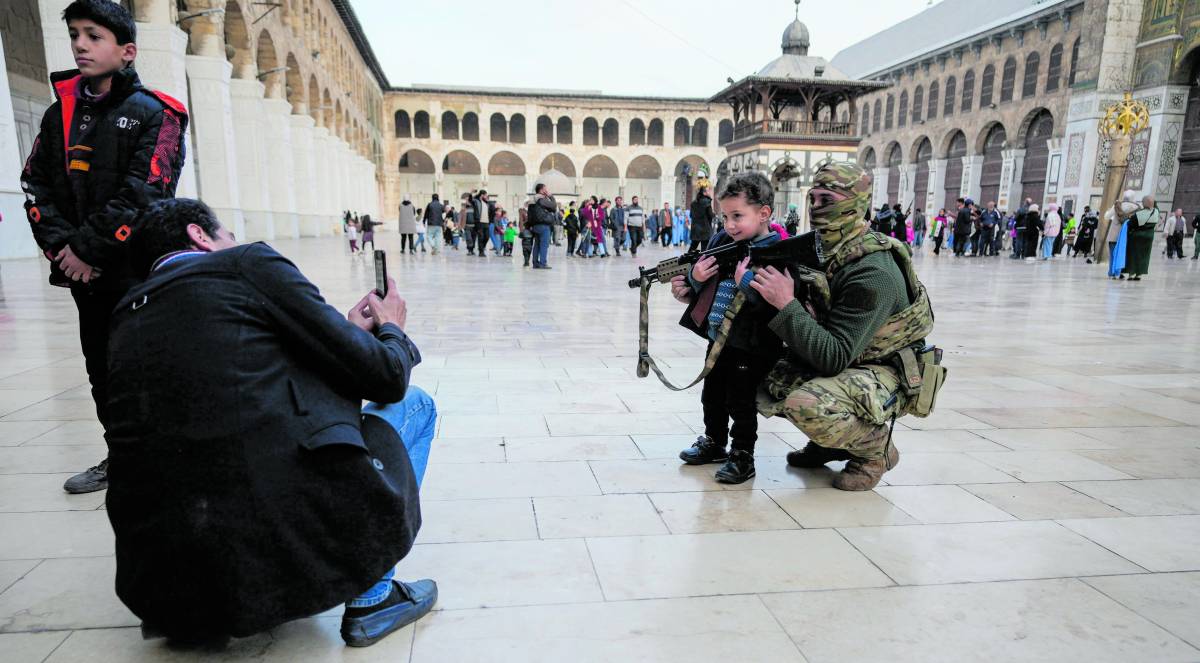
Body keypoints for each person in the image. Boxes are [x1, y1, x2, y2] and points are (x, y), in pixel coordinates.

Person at [104, 198, 437, 647]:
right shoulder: (245, 265)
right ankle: (374, 596)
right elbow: (385, 377)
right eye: (227, 235)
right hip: (271, 538)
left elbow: (241, 377)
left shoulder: (127, 312)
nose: (233, 242)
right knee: (415, 405)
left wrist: (342, 332)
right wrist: (392, 329)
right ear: (200, 236)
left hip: (164, 593)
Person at [23, 0, 189, 494]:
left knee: (148, 366)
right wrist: (63, 253)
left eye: (94, 35)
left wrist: (90, 251)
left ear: (127, 50)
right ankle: (122, 459)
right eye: (75, 34)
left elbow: (146, 192)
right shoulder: (60, 115)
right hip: (83, 277)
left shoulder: (158, 114)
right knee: (102, 371)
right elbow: (34, 185)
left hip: (135, 270)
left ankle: (169, 460)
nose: (79, 44)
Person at [754, 161, 936, 491]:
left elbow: (833, 357)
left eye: (828, 200)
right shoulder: (831, 249)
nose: (816, 208)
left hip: (886, 370)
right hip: (854, 358)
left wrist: (786, 304)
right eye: (813, 199)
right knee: (758, 370)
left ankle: (876, 450)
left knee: (807, 403)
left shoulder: (873, 271)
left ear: (854, 204)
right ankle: (833, 443)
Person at [672, 172, 782, 484]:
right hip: (720, 339)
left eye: (737, 216)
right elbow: (701, 284)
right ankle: (714, 442)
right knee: (712, 392)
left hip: (753, 344)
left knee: (740, 400)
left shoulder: (776, 249)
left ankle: (742, 455)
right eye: (725, 217)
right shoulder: (722, 242)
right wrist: (695, 277)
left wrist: (745, 281)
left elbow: (775, 303)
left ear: (763, 214)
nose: (730, 225)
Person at [1123, 195, 1161, 280]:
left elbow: (1130, 224)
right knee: (1144, 256)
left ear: (1143, 204)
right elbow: (1156, 206)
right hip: (1149, 237)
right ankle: (1139, 274)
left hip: (1136, 237)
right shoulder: (1156, 212)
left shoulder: (1138, 214)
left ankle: (1131, 273)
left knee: (1133, 255)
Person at [527, 183, 556, 269]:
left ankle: (535, 263)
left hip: (535, 226)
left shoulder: (532, 200)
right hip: (543, 225)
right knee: (544, 245)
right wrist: (551, 196)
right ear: (541, 190)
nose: (547, 190)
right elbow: (554, 206)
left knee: (537, 245)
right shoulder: (541, 199)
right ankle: (543, 263)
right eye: (545, 188)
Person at [689, 186, 715, 252]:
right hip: (705, 229)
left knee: (693, 247)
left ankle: (686, 260)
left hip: (695, 229)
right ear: (704, 192)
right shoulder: (707, 202)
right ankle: (703, 261)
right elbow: (710, 215)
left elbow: (691, 215)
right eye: (708, 190)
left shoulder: (693, 203)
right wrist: (713, 214)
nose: (709, 192)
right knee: (705, 248)